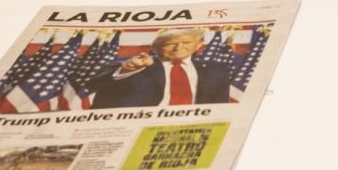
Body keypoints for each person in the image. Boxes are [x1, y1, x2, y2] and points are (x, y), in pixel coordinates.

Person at [86, 29, 231, 108]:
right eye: (170, 43)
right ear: (156, 47)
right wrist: (127, 69)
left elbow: (220, 107)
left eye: (186, 42)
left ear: (199, 45)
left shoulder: (216, 71)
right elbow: (93, 84)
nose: (178, 47)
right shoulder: (139, 64)